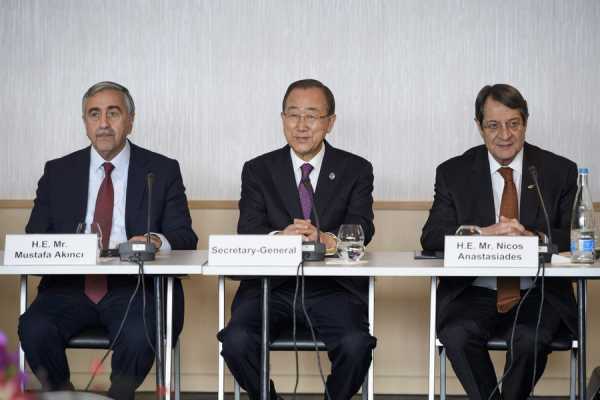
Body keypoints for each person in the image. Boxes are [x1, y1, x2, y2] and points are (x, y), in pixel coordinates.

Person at [19, 81, 198, 400]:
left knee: (139, 335)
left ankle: (118, 397)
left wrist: (155, 241)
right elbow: (35, 236)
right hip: (69, 286)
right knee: (34, 328)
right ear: (85, 122)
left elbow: (185, 236)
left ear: (130, 120)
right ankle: (63, 395)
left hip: (136, 289)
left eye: (113, 113)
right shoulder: (58, 171)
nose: (103, 123)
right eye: (94, 114)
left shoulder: (161, 170)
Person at [218, 79, 377, 400]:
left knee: (356, 345)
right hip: (269, 287)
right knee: (235, 341)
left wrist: (326, 238)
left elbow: (363, 227)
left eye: (312, 116)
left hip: (333, 289)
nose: (301, 125)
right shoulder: (258, 169)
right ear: (283, 119)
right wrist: (280, 239)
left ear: (330, 122)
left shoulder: (356, 169)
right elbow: (248, 230)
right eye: (293, 115)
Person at [421, 83, 578, 399]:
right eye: (493, 125)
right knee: (456, 334)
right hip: (474, 288)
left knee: (529, 339)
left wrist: (533, 236)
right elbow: (431, 237)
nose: (504, 135)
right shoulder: (453, 172)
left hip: (538, 290)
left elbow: (575, 236)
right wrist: (482, 233)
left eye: (513, 124)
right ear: (479, 126)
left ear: (525, 123)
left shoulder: (558, 170)